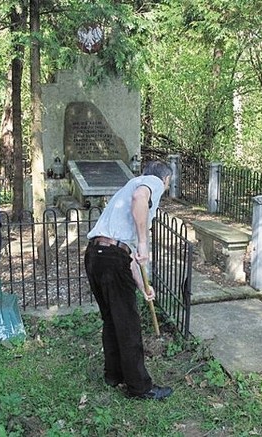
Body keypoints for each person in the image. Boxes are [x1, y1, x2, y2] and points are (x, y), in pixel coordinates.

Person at [85, 160, 174, 400]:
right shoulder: (151, 183)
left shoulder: (127, 186)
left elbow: (128, 255)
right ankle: (139, 388)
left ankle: (113, 375)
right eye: (168, 184)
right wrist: (145, 242)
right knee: (128, 324)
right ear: (165, 180)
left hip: (96, 255)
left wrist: (143, 287)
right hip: (112, 258)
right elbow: (139, 200)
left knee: (112, 320)